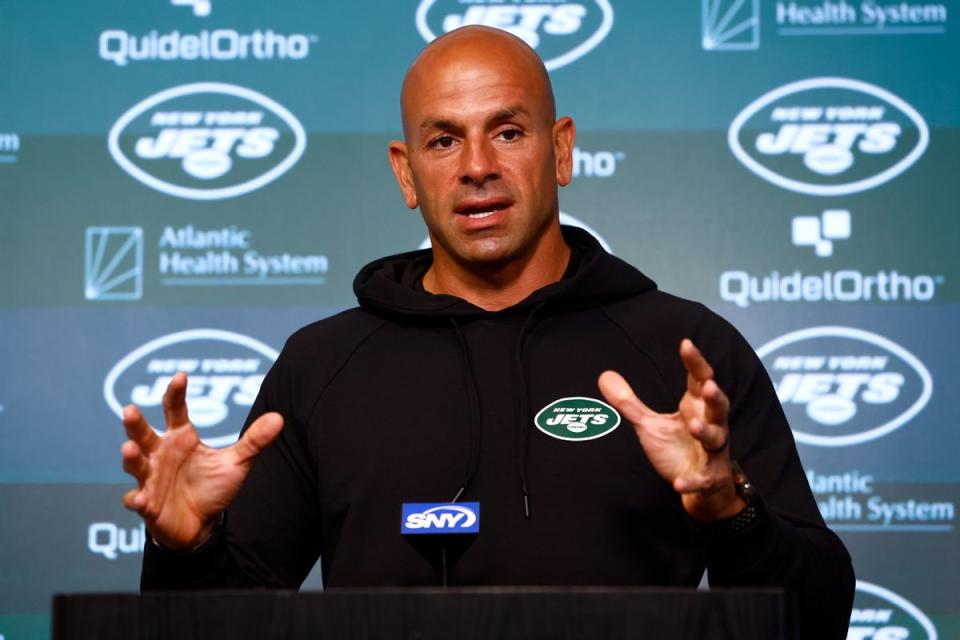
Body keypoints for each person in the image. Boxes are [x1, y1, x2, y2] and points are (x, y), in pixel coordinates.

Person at [120, 26, 854, 639]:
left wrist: (732, 512)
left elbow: (819, 617)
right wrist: (184, 549)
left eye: (508, 131)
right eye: (444, 141)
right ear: (406, 175)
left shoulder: (687, 352)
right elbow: (223, 628)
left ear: (561, 150)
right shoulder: (321, 365)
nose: (477, 167)